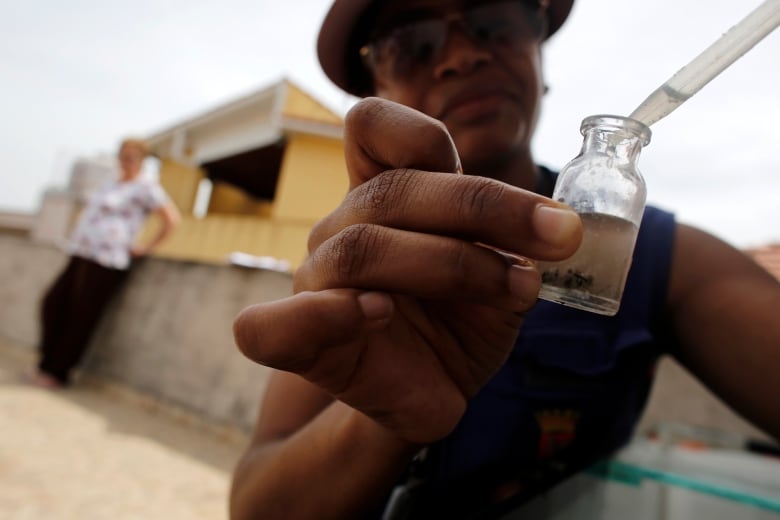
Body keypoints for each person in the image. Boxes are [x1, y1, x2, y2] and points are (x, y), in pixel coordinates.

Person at [229, 0, 780, 518]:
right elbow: (257, 504)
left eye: (495, 17)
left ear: (538, 52)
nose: (463, 54)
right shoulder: (361, 260)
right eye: (413, 42)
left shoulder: (651, 253)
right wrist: (384, 420)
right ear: (378, 89)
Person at [29, 138, 180, 389]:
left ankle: (58, 373)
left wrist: (146, 248)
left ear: (141, 161)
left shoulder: (146, 187)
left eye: (131, 157)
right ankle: (45, 364)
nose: (125, 161)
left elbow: (171, 220)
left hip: (108, 259)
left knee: (81, 315)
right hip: (82, 251)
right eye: (122, 156)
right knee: (54, 302)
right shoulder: (110, 183)